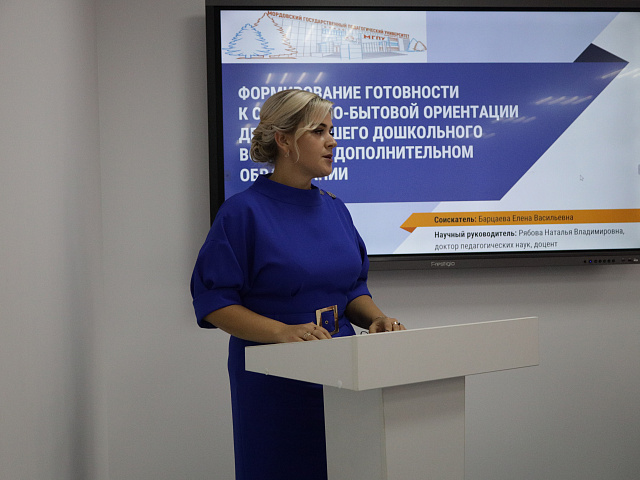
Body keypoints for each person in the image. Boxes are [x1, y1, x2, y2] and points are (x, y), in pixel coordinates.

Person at [191, 89, 405, 480]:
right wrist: (282, 332)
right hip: (274, 383)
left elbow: (352, 287)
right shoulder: (243, 212)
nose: (332, 141)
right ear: (284, 140)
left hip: (343, 375)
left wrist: (376, 318)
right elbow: (215, 301)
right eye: (318, 131)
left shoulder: (335, 208)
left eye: (332, 130)